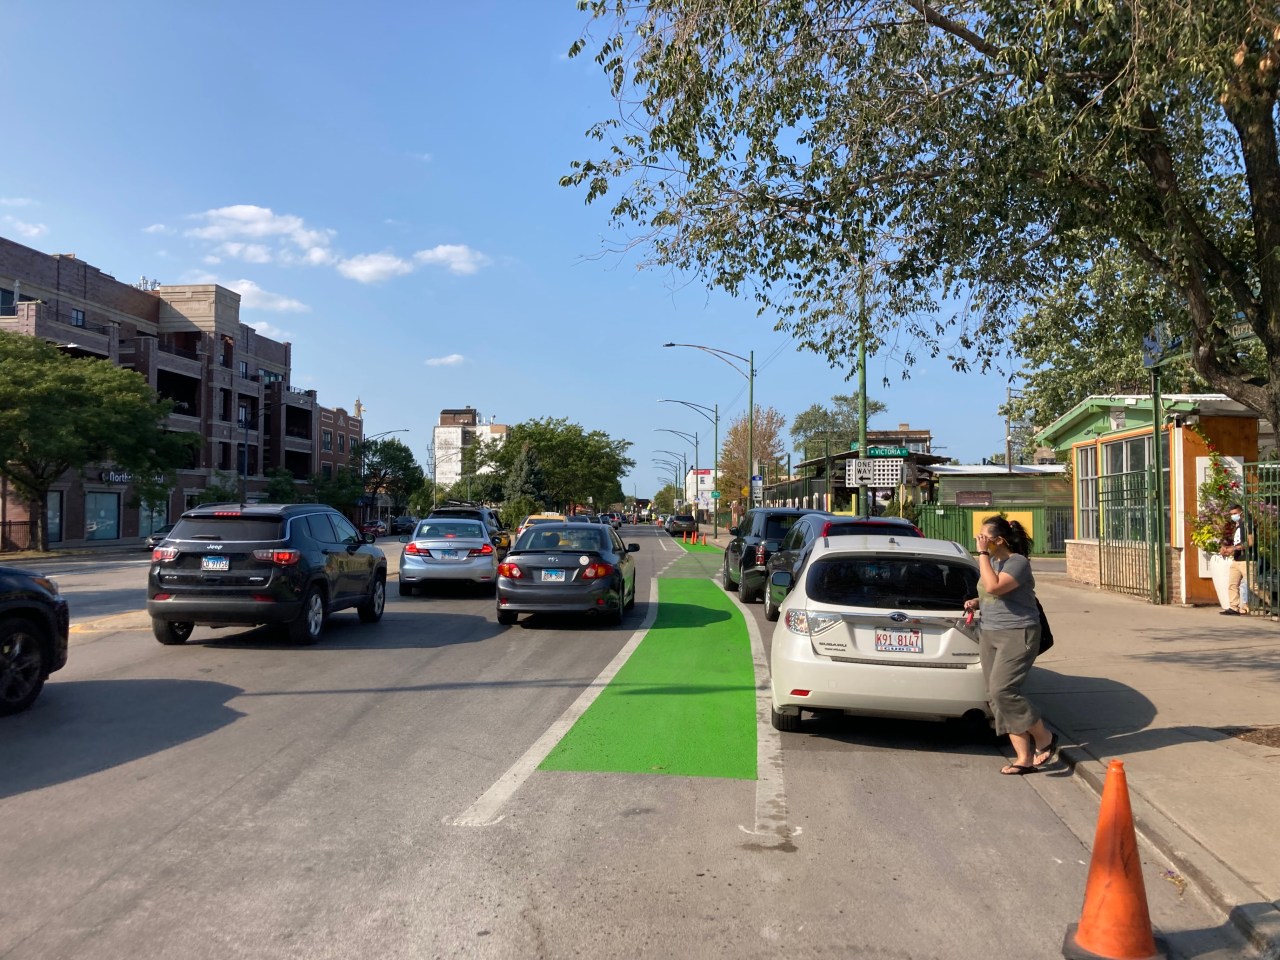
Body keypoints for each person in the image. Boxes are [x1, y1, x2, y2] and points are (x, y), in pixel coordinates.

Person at [962, 515, 1058, 776]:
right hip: (990, 632)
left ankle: (1045, 736)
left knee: (1004, 690)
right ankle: (1023, 758)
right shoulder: (992, 561)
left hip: (1018, 633)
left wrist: (981, 553)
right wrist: (975, 602)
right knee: (995, 697)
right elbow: (989, 593)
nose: (979, 541)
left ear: (999, 540)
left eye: (983, 537)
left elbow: (994, 587)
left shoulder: (1017, 562)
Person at [1220, 503, 1250, 616]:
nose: (1233, 516)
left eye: (1235, 513)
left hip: (1246, 559)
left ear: (1241, 512)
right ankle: (1234, 607)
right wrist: (1226, 548)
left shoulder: (1246, 525)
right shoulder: (1236, 525)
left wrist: (1233, 548)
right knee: (1232, 584)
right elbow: (1234, 541)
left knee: (1253, 586)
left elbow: (1249, 542)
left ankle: (1272, 604)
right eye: (1231, 514)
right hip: (1236, 559)